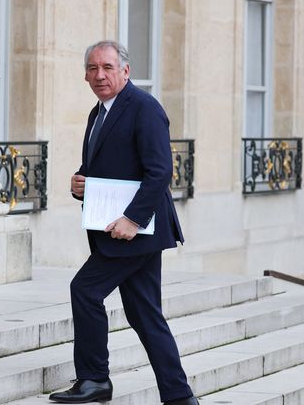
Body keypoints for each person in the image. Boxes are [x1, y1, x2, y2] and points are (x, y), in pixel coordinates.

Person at [48, 40, 198, 405]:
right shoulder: (98, 112)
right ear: (85, 74)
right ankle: (179, 397)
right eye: (93, 68)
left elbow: (160, 171)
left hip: (135, 231)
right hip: (121, 230)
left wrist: (132, 218)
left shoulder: (144, 108)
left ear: (125, 71)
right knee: (145, 315)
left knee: (84, 290)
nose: (100, 75)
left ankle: (95, 380)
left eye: (108, 67)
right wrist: (81, 183)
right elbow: (106, 167)